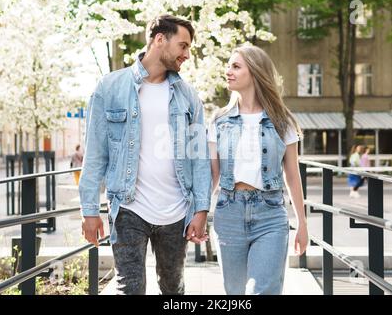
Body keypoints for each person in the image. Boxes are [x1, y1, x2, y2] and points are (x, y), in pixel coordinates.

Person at [79, 15, 211, 295]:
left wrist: (201, 210)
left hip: (176, 211)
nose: (186, 55)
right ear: (159, 39)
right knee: (130, 288)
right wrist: (90, 211)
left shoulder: (188, 96)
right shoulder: (110, 88)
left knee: (173, 288)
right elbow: (95, 154)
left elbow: (199, 158)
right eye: (183, 46)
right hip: (128, 208)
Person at [208, 45, 308, 295]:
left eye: (236, 66)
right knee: (235, 293)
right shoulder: (219, 121)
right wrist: (198, 214)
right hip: (229, 213)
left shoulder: (282, 122)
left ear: (254, 72)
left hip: (270, 214)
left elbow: (292, 175)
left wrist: (302, 223)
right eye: (229, 65)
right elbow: (212, 175)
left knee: (264, 291)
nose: (228, 71)